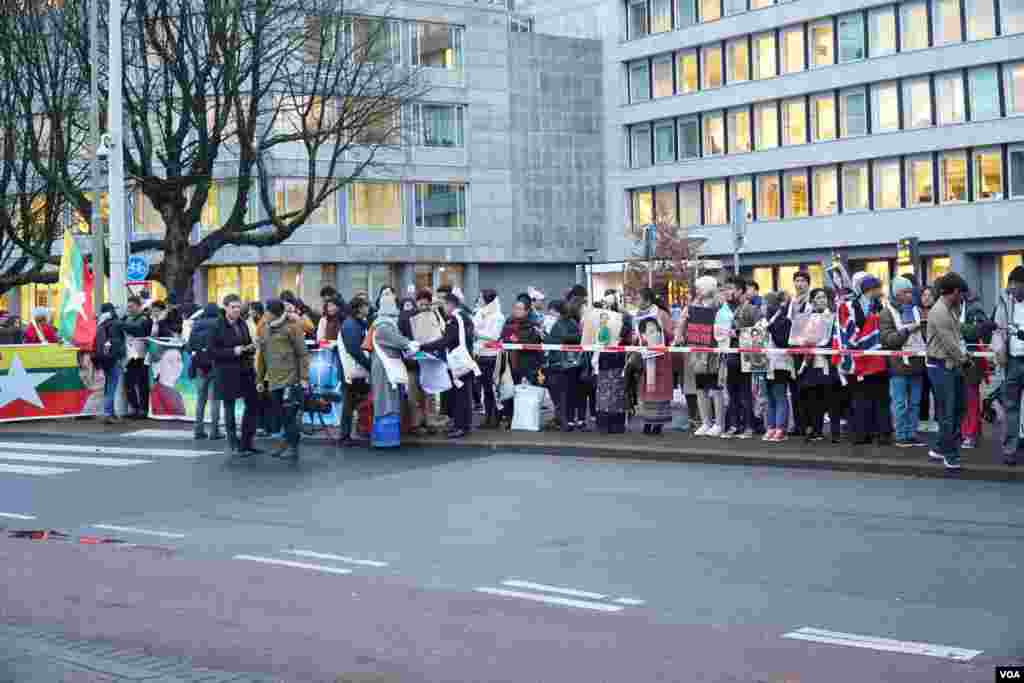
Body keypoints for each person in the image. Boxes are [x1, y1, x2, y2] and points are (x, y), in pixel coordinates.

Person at [838, 273, 892, 446]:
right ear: (870, 289)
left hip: (878, 360)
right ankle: (862, 433)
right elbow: (847, 331)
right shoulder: (849, 306)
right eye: (878, 288)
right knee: (861, 398)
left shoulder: (881, 306)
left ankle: (882, 433)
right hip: (859, 361)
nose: (880, 292)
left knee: (881, 398)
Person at [256, 299, 310, 460]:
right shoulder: (265, 329)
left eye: (268, 312)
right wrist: (259, 379)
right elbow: (262, 357)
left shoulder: (292, 327)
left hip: (290, 379)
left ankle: (293, 448)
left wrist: (304, 377)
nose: (265, 315)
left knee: (288, 414)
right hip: (273, 380)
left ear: (275, 313)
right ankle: (287, 442)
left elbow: (302, 353)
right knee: (280, 415)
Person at [926, 272, 970, 470]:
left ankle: (940, 447)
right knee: (948, 411)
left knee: (958, 407)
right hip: (940, 366)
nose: (963, 298)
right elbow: (950, 343)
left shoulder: (952, 308)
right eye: (962, 294)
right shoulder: (939, 312)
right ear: (955, 292)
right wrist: (964, 360)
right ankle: (950, 454)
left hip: (951, 365)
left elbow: (958, 334)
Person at [211, 294, 261, 457]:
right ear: (225, 307)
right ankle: (233, 443)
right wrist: (233, 351)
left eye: (239, 307)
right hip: (227, 371)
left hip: (245, 369)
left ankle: (246, 442)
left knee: (253, 403)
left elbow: (245, 343)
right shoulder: (217, 325)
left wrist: (252, 347)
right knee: (229, 407)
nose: (237, 310)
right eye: (233, 307)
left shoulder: (242, 324)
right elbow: (212, 351)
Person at [880, 276, 927, 448]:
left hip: (917, 361)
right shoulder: (886, 313)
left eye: (910, 291)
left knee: (915, 402)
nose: (909, 295)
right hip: (898, 364)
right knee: (900, 403)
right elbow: (887, 340)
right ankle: (901, 435)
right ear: (896, 294)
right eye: (905, 292)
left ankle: (912, 433)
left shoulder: (917, 310)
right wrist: (907, 331)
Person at [422, 292, 476, 438]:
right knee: (464, 394)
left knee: (460, 396)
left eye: (444, 305)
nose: (443, 308)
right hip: (466, 359)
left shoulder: (455, 318)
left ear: (450, 304)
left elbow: (446, 341)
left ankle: (461, 426)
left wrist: (424, 346)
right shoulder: (465, 316)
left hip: (459, 362)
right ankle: (465, 424)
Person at [368, 293, 418, 445]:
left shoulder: (381, 323)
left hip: (384, 365)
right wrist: (412, 344)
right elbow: (399, 341)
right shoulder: (384, 325)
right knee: (386, 401)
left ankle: (384, 437)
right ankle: (386, 439)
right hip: (385, 367)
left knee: (386, 399)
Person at [797, 288, 843, 443]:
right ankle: (816, 431)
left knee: (832, 400)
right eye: (818, 297)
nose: (822, 300)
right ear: (812, 301)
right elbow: (797, 340)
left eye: (824, 297)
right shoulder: (806, 318)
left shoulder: (833, 318)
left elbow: (837, 339)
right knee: (813, 400)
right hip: (810, 364)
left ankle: (835, 432)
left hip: (828, 363)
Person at [993, 265, 1024, 465]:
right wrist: (999, 352)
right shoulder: (1004, 302)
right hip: (1012, 361)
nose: (1012, 289)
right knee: (1010, 406)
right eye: (1010, 285)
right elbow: (997, 331)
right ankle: (1010, 450)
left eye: (1016, 285)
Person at [497, 299, 544, 428]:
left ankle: (525, 420)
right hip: (509, 363)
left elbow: (530, 341)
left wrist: (514, 339)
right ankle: (508, 417)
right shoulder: (508, 322)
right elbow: (503, 338)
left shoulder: (532, 325)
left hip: (527, 364)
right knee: (508, 391)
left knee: (525, 393)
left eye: (520, 308)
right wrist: (513, 339)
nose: (516, 311)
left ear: (526, 311)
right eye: (515, 308)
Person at [958, 289, 994, 450]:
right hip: (962, 359)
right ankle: (972, 432)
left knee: (969, 400)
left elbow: (981, 332)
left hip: (971, 360)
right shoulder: (959, 307)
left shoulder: (973, 309)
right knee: (967, 399)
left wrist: (956, 327)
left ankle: (970, 434)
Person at [690, 276, 725, 437]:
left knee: (716, 387)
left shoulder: (720, 305)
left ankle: (719, 423)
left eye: (699, 287)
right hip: (698, 349)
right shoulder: (695, 305)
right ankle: (706, 422)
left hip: (714, 350)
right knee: (700, 387)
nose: (697, 291)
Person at [636, 291, 674, 435]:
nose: (637, 300)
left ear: (647, 300)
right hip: (646, 358)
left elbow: (671, 335)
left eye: (639, 298)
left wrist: (661, 330)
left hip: (661, 358)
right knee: (647, 391)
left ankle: (658, 424)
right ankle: (647, 422)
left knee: (660, 391)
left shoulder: (662, 314)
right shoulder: (639, 315)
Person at [595, 292, 633, 434]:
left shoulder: (602, 318)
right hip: (613, 358)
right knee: (615, 391)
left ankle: (606, 424)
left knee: (608, 391)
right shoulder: (624, 318)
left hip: (610, 358)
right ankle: (614, 424)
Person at [720, 276, 753, 439]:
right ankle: (733, 425)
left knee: (746, 392)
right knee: (732, 392)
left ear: (740, 291)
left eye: (730, 288)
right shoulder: (724, 309)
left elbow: (761, 330)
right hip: (730, 355)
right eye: (725, 289)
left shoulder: (750, 308)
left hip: (746, 356)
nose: (727, 292)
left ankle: (748, 426)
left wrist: (738, 332)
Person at [760, 293, 795, 442]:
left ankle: (781, 428)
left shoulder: (784, 321)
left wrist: (771, 328)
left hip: (781, 363)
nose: (762, 307)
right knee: (769, 398)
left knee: (780, 395)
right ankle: (771, 427)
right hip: (764, 363)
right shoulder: (762, 321)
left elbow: (783, 342)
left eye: (765, 304)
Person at [542, 300, 581, 432]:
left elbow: (553, 341)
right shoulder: (574, 323)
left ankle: (562, 421)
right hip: (572, 363)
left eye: (551, 311)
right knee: (568, 394)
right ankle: (567, 421)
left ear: (558, 312)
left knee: (558, 395)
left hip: (557, 363)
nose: (549, 313)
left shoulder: (557, 324)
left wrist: (543, 336)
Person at [338, 297, 373, 446]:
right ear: (359, 308)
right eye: (366, 306)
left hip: (356, 370)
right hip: (352, 371)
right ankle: (345, 436)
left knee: (356, 402)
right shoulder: (351, 325)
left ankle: (358, 430)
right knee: (349, 403)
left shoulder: (357, 323)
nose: (368, 308)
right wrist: (369, 365)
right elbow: (354, 350)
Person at [187, 303, 222, 440]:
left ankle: (198, 429)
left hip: (200, 365)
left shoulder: (196, 324)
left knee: (201, 399)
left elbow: (189, 347)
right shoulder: (219, 324)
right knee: (215, 399)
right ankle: (214, 431)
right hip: (216, 364)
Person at [473, 289, 505, 429]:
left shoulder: (497, 316)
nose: (479, 300)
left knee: (493, 389)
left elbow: (494, 335)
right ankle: (487, 418)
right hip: (480, 354)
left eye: (481, 297)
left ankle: (495, 419)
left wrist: (476, 333)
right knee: (485, 389)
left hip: (493, 356)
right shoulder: (480, 313)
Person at [121, 296, 155, 419]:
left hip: (141, 356)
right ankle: (134, 408)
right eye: (128, 307)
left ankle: (143, 409)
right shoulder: (126, 318)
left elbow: (139, 331)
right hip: (129, 356)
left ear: (139, 306)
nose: (129, 309)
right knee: (128, 383)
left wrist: (123, 325)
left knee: (142, 384)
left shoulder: (145, 320)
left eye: (131, 306)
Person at [94, 303, 126, 425]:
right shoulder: (115, 323)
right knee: (112, 386)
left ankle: (111, 412)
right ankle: (107, 413)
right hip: (114, 358)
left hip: (103, 358)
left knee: (108, 386)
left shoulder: (100, 323)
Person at [918, 286, 938, 433]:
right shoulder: (916, 312)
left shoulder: (938, 312)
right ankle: (923, 419)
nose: (926, 298)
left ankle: (937, 420)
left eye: (929, 295)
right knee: (922, 390)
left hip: (935, 356)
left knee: (937, 390)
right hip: (920, 358)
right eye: (924, 295)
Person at [150, 347, 186, 416]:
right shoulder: (157, 391)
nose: (176, 365)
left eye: (179, 360)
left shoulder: (177, 393)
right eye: (170, 361)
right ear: (157, 367)